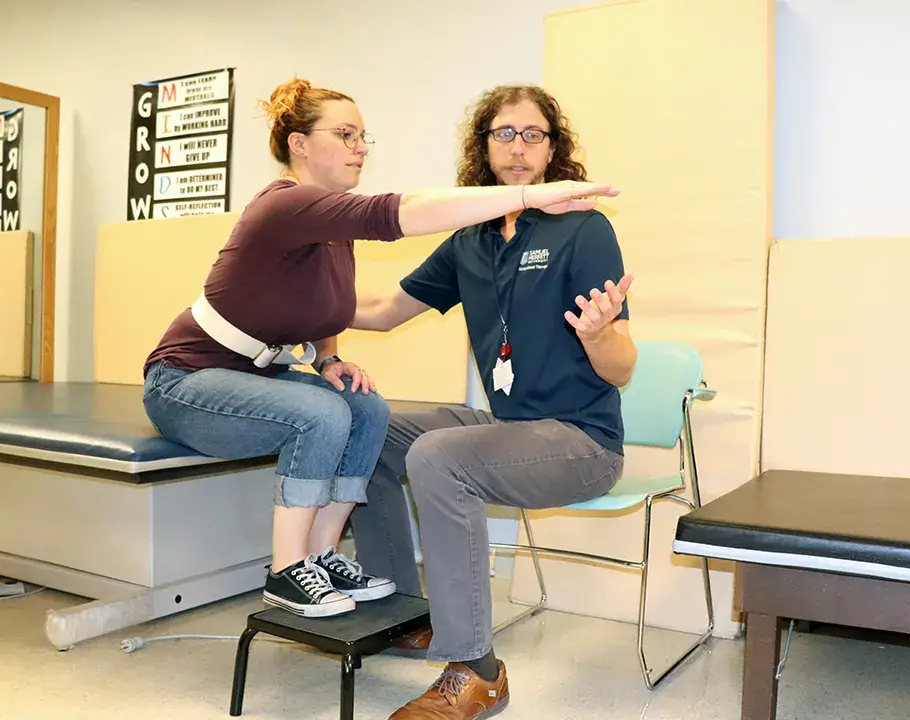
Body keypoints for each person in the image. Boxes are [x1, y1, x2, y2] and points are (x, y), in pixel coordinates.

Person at [140, 77, 621, 623]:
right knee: (324, 412)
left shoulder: (331, 223)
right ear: (299, 144)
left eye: (364, 136)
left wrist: (327, 359)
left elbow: (337, 308)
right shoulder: (286, 205)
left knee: (365, 408)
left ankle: (321, 556)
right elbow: (397, 221)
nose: (360, 148)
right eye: (345, 134)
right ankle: (286, 568)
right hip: (188, 376)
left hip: (261, 376)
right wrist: (530, 194)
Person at [348, 84, 635, 719]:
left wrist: (599, 334)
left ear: (553, 150)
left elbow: (622, 369)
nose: (518, 146)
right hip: (509, 430)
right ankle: (404, 614)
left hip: (580, 441)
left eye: (534, 134)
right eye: (504, 133)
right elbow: (385, 312)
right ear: (484, 147)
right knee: (368, 427)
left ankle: (478, 671)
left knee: (440, 457)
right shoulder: (470, 240)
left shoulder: (583, 230)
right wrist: (299, 306)